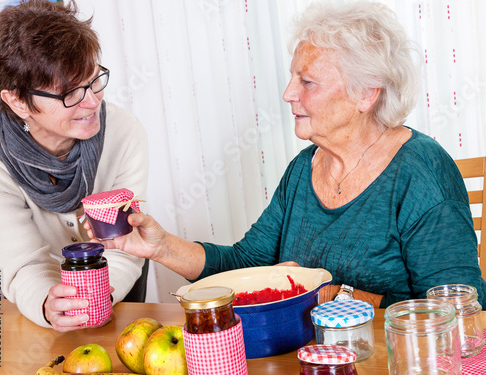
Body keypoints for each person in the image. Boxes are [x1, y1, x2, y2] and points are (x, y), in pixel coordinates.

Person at [87, 1, 486, 307]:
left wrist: (337, 296)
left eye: (307, 81)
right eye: (293, 77)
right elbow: (246, 267)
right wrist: (159, 247)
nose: (288, 93)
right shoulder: (303, 169)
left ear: (367, 93)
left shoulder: (421, 170)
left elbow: (463, 308)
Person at [0, 0, 148, 331]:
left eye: (93, 81)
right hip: (40, 310)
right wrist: (49, 304)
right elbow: (22, 263)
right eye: (69, 94)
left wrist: (94, 299)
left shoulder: (123, 131)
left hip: (114, 297)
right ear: (18, 101)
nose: (92, 102)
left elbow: (122, 245)